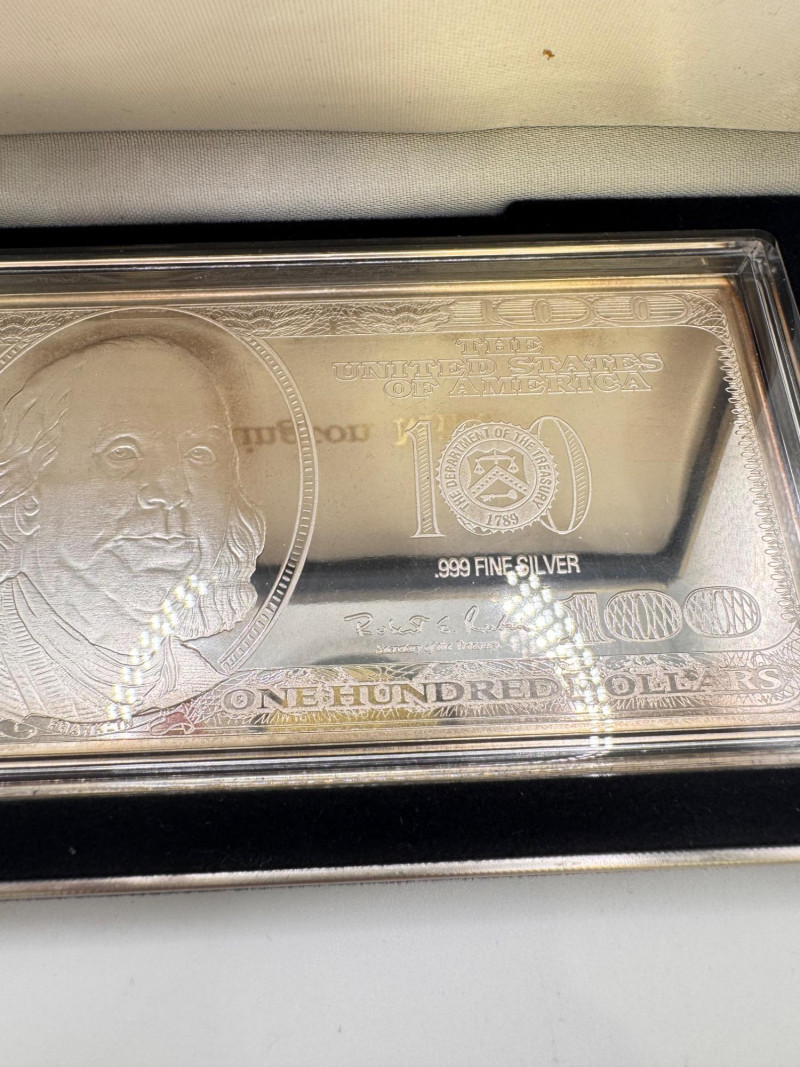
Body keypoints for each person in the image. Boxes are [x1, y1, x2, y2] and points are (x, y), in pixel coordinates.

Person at [0, 334, 265, 729]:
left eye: (200, 454)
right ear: (26, 500)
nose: (171, 492)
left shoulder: (203, 686)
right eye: (122, 453)